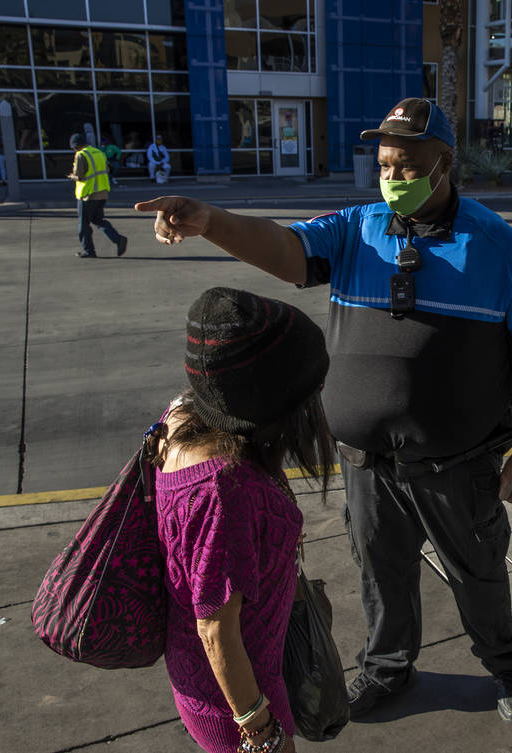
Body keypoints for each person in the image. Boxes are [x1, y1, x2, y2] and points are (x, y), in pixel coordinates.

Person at [135, 97, 512, 727]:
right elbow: (283, 249)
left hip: (458, 465)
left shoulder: (496, 245)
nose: (394, 177)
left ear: (445, 165)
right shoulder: (358, 229)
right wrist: (210, 221)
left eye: (410, 166)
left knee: (478, 574)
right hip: (368, 464)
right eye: (386, 164)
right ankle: (388, 668)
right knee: (379, 574)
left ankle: (505, 665)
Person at [152, 286, 335, 753]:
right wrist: (259, 729)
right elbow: (215, 628)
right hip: (235, 701)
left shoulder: (178, 418)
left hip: (226, 682)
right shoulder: (227, 489)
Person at [68, 133, 127, 259]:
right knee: (98, 220)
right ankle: (118, 239)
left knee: (83, 224)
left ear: (76, 146)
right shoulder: (98, 152)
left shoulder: (81, 155)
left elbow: (80, 176)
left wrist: (71, 176)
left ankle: (89, 250)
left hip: (88, 194)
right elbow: (106, 169)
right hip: (102, 192)